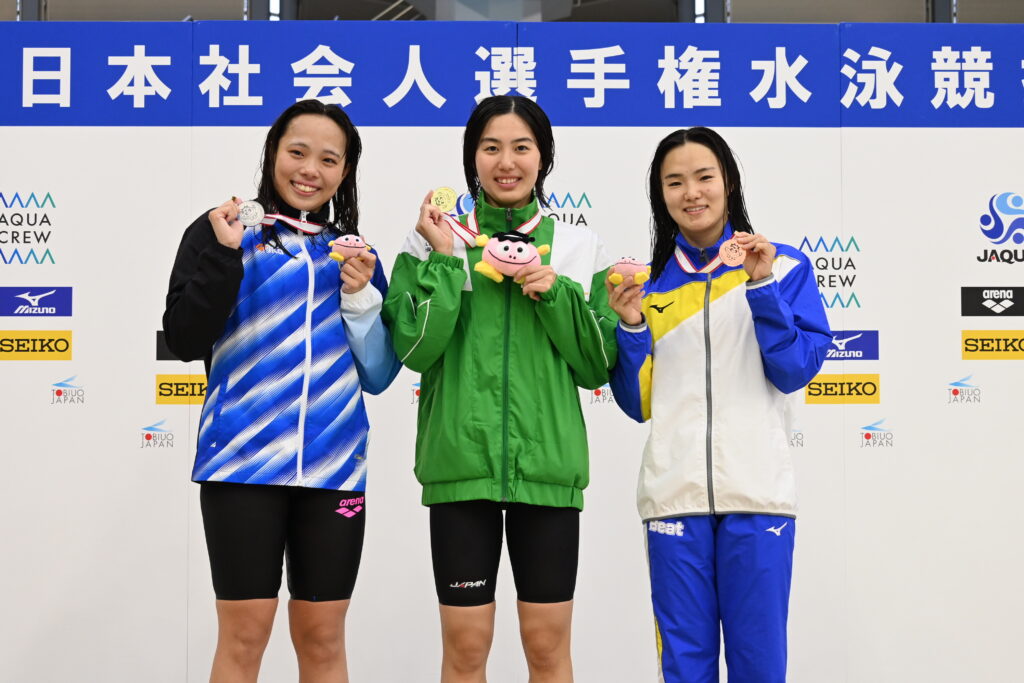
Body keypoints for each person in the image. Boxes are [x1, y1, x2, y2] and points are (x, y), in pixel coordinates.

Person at [162, 99, 401, 683]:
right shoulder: (221, 232)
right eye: (298, 152)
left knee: (323, 638)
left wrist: (360, 295)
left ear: (345, 172)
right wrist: (224, 256)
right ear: (273, 153)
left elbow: (377, 374)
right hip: (241, 464)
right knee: (245, 635)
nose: (310, 170)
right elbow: (185, 337)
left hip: (334, 469)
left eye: (328, 159)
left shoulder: (355, 254)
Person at [382, 95, 617, 683]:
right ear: (472, 158)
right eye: (490, 148)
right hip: (461, 467)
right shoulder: (432, 241)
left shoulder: (577, 246)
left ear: (543, 158)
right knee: (466, 650)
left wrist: (556, 294)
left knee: (547, 648)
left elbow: (597, 367)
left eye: (521, 147)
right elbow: (414, 350)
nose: (506, 162)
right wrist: (444, 262)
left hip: (548, 470)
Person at [606, 127, 831, 683]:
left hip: (758, 496)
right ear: (660, 194)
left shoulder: (783, 267)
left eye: (704, 177)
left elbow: (794, 369)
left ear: (728, 181)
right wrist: (631, 326)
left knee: (760, 665)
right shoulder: (649, 288)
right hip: (673, 499)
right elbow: (638, 403)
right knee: (685, 667)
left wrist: (761, 287)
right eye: (674, 182)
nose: (692, 193)